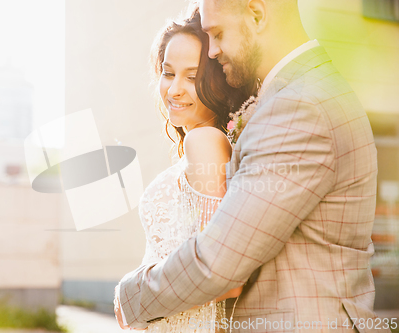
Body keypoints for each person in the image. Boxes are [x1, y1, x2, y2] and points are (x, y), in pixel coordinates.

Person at [116, 0, 385, 332]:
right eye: (168, 73)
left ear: (257, 15)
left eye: (218, 34)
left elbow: (219, 264)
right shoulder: (295, 96)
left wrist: (129, 295)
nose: (211, 51)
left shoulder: (300, 105)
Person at [113, 7, 254, 333]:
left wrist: (133, 294)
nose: (174, 89)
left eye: (191, 77)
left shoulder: (205, 142)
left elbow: (219, 276)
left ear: (217, 81)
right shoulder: (207, 142)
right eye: (168, 72)